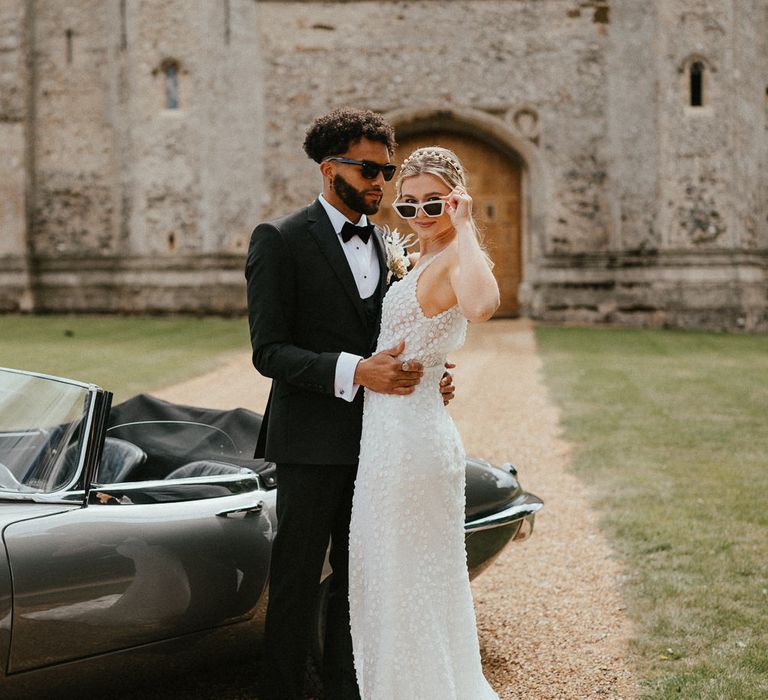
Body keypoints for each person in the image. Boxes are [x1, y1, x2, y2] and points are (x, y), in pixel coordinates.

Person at [244, 109, 455, 700]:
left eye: (385, 172)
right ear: (329, 166)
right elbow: (269, 351)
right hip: (310, 442)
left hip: (380, 441)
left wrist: (428, 374)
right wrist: (356, 371)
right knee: (295, 579)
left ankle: (346, 689)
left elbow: (395, 330)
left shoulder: (391, 246)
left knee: (358, 582)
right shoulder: (279, 240)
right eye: (369, 170)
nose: (380, 184)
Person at [348, 146, 501, 699]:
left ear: (455, 200)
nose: (418, 214)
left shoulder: (458, 256)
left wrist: (464, 229)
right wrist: (435, 367)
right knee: (400, 576)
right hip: (393, 433)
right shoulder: (418, 263)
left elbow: (483, 307)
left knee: (410, 578)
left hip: (411, 444)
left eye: (432, 203)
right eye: (408, 205)